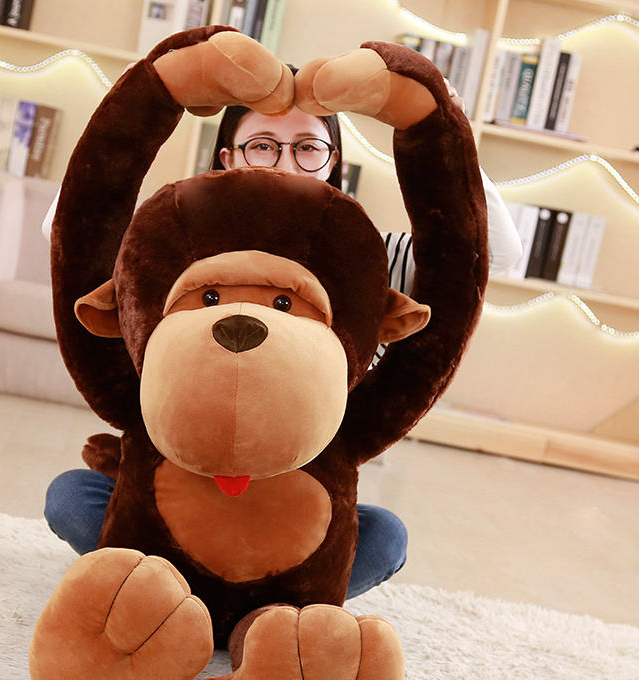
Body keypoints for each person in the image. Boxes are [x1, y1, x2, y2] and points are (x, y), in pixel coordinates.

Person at [43, 69, 522, 600]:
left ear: (333, 164)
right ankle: (214, 593)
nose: (285, 164)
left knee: (386, 536)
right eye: (263, 146)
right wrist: (139, 98)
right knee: (70, 497)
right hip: (176, 478)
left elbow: (496, 253)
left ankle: (202, 594)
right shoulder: (179, 241)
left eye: (308, 148)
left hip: (298, 488)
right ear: (228, 158)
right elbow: (68, 227)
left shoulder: (367, 259)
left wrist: (447, 128)